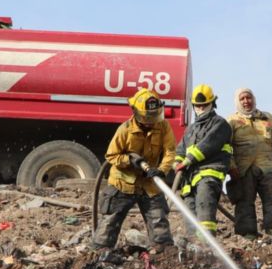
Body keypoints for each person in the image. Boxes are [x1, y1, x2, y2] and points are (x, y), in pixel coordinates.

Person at [91, 88, 176, 250]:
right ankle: (100, 252)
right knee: (111, 220)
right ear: (136, 112)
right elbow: (111, 156)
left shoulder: (163, 127)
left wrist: (161, 170)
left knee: (158, 219)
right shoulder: (125, 129)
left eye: (154, 116)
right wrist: (129, 161)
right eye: (147, 117)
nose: (151, 121)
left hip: (149, 182)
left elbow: (170, 152)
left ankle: (164, 253)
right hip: (124, 182)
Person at [227, 88, 272, 243]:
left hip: (268, 167)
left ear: (253, 99)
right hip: (243, 169)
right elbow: (226, 147)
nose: (246, 101)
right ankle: (247, 236)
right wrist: (231, 166)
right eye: (242, 98)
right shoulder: (231, 121)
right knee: (244, 201)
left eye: (248, 97)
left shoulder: (267, 118)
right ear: (237, 102)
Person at [175, 84, 233, 237]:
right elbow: (181, 149)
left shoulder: (220, 124)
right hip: (189, 178)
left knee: (204, 209)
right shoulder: (191, 129)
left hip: (209, 173)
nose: (200, 108)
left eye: (204, 105)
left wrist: (187, 160)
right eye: (197, 105)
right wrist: (177, 161)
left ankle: (206, 244)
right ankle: (194, 244)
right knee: (190, 214)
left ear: (212, 103)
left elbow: (208, 144)